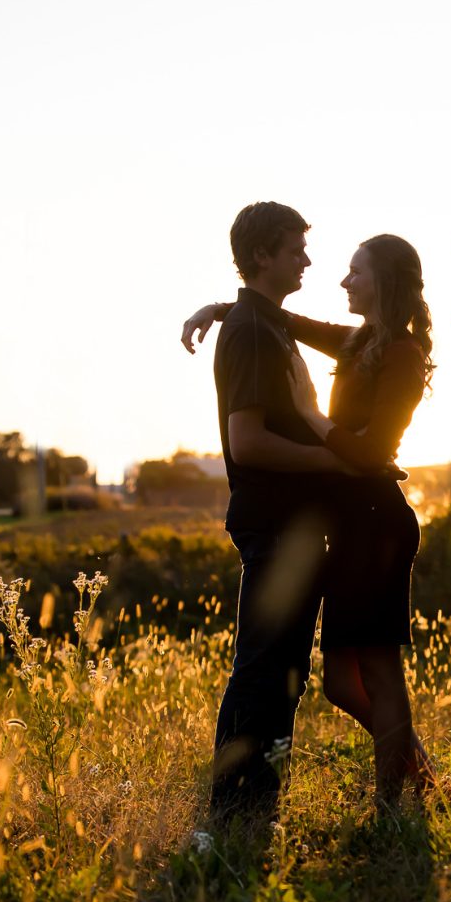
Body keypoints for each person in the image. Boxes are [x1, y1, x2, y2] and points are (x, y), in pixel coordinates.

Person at [183, 232, 435, 810]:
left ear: (385, 282)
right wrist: (220, 309)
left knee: (377, 668)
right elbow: (283, 320)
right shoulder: (358, 342)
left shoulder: (401, 353)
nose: (343, 281)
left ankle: (393, 805)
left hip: (378, 524)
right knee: (341, 684)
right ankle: (420, 771)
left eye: (356, 272)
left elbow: (372, 454)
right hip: (347, 527)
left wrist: (309, 415)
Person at [193, 201, 358, 820]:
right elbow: (249, 441)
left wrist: (221, 305)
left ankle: (259, 799)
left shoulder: (263, 322)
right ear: (262, 255)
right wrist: (337, 465)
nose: (307, 260)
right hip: (274, 521)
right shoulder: (256, 332)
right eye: (294, 250)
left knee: (283, 666)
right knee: (263, 664)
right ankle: (233, 807)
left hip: (290, 523)